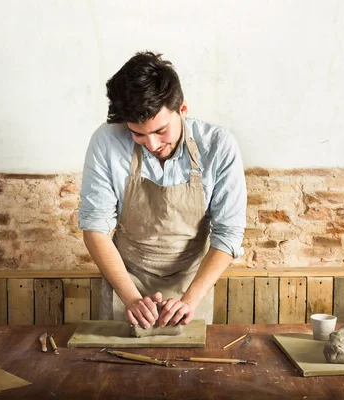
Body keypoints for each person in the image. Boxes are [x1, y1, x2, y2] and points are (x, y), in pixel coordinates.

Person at [78, 51, 246, 329]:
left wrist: (189, 301)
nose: (153, 144)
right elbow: (95, 228)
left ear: (182, 109)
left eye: (161, 131)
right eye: (138, 134)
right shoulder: (106, 141)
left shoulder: (218, 146)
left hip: (191, 287)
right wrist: (132, 298)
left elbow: (228, 234)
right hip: (126, 283)